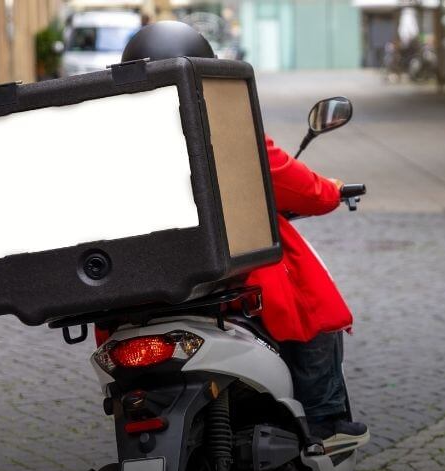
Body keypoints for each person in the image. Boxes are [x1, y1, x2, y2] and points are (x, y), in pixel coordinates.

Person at [121, 22, 367, 443]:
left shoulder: (111, 137)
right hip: (227, 281)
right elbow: (295, 183)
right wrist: (330, 192)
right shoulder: (224, 123)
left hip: (136, 292)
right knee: (313, 309)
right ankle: (324, 423)